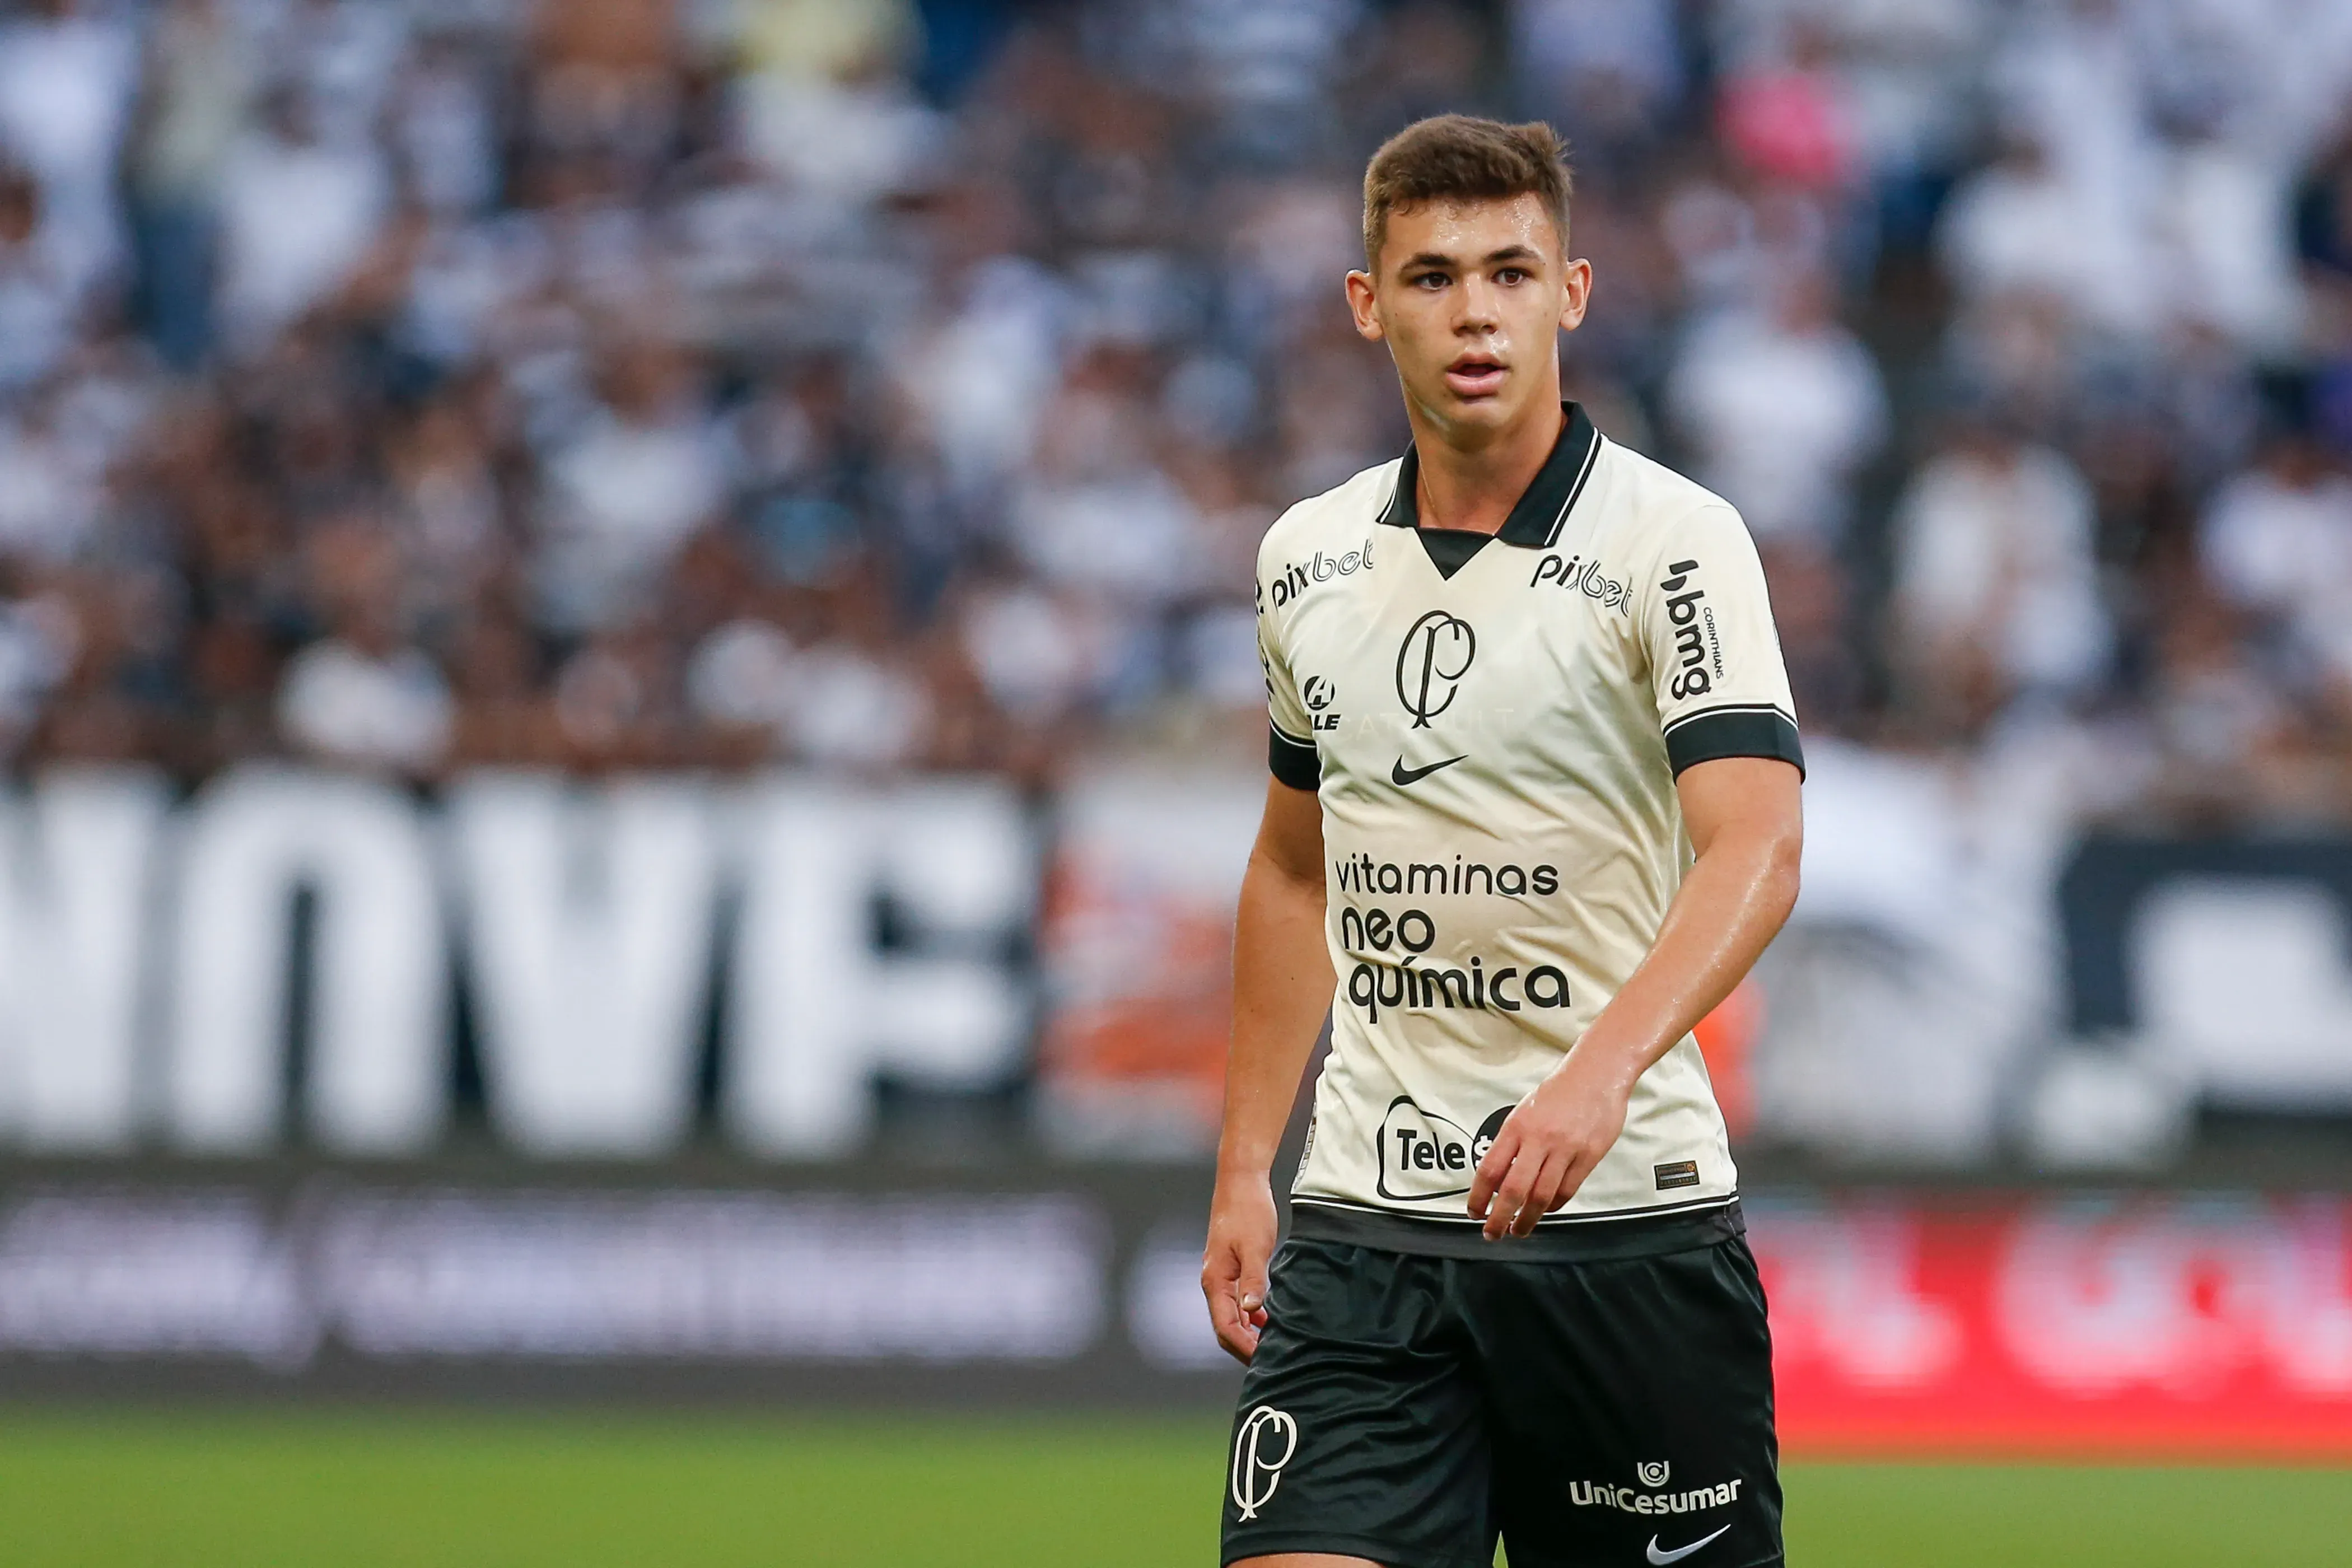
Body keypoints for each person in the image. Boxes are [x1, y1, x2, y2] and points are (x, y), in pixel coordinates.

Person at [1203, 114, 1803, 1568]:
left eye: (1511, 273)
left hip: (1623, 1229)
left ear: (1573, 294)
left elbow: (1758, 847)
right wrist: (1243, 1169)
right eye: (1431, 276)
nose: (1474, 310)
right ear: (1368, 306)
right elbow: (1293, 868)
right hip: (1365, 1225)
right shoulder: (1307, 558)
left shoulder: (1676, 541)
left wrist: (1595, 1082)